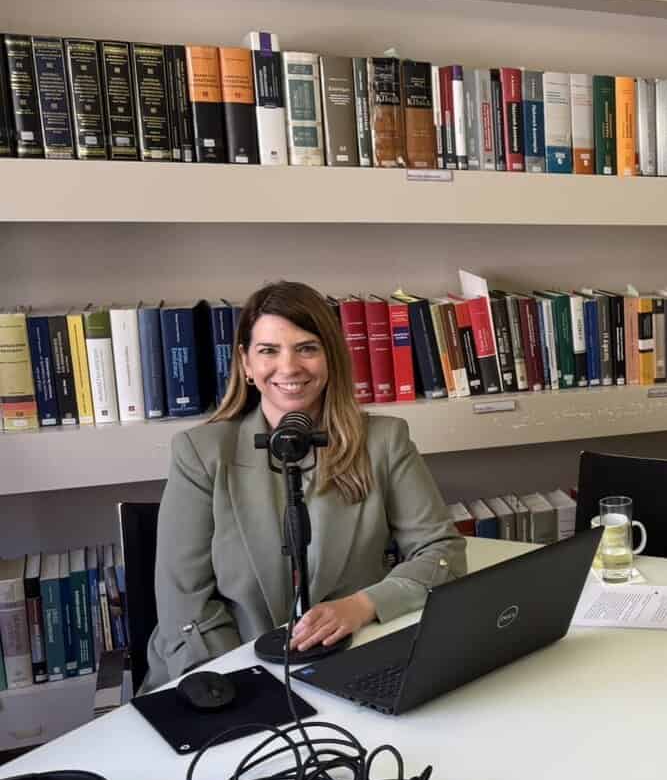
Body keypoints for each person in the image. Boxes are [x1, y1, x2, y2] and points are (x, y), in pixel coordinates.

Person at [147, 281, 465, 688]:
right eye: (268, 350)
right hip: (228, 672)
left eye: (307, 348)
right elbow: (184, 602)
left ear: (331, 357)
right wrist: (242, 684)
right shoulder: (200, 453)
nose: (289, 367)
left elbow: (442, 551)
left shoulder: (385, 441)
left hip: (351, 664)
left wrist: (363, 604)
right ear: (245, 362)